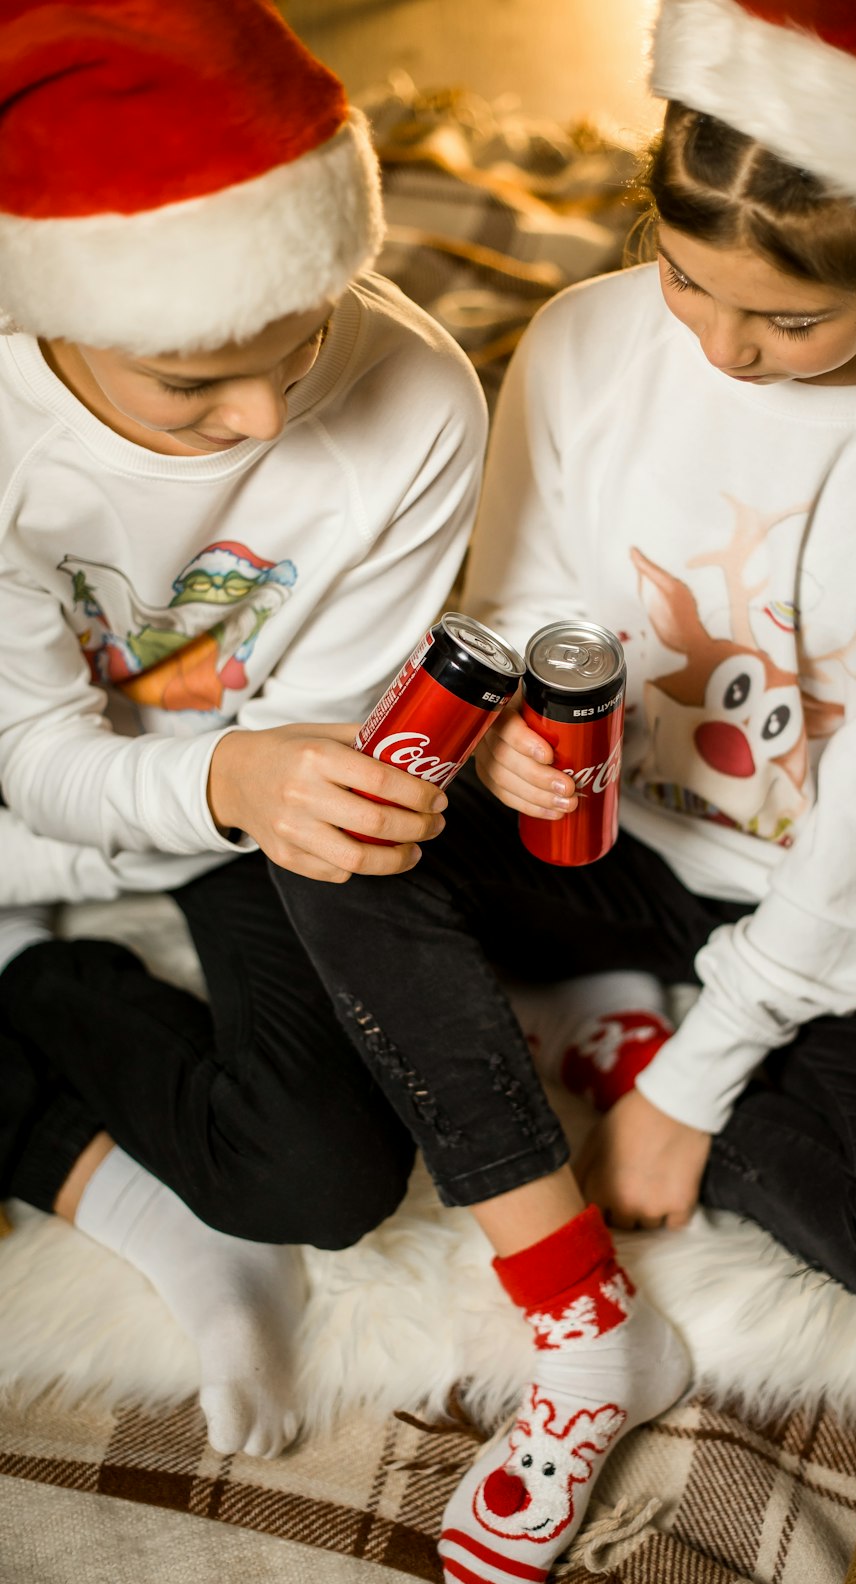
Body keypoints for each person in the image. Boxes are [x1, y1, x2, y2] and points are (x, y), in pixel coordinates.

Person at [273, 0, 856, 1584]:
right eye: (686, 274)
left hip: (802, 902)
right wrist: (500, 743)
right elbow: (518, 601)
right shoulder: (585, 335)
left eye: (784, 320)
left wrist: (693, 1088)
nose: (718, 341)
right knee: (329, 826)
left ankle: (597, 1053)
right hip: (585, 841)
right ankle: (575, 1304)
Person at [0, 0, 486, 1459]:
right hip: (85, 777)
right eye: (196, 385)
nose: (268, 415)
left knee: (328, 1177)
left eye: (301, 340)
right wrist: (215, 778)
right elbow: (27, 749)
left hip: (239, 799)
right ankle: (143, 1201)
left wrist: (260, 786)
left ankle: (29, 980)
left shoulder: (419, 402)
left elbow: (310, 735)